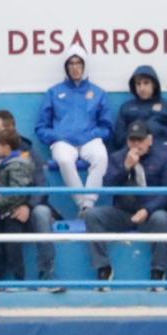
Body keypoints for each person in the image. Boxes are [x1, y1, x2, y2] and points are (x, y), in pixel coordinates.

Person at [84, 121, 167, 290]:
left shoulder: (163, 157)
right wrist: (125, 167)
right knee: (91, 215)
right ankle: (103, 268)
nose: (136, 144)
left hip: (150, 213)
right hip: (123, 212)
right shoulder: (118, 157)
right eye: (132, 140)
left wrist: (147, 210)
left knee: (162, 218)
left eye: (140, 140)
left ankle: (158, 272)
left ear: (150, 140)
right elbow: (108, 187)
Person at [34, 48, 112, 216]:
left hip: (89, 140)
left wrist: (91, 135)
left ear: (84, 66)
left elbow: (107, 127)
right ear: (66, 67)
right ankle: (81, 203)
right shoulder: (54, 92)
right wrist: (58, 136)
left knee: (101, 157)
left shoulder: (98, 93)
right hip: (63, 141)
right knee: (64, 159)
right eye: (71, 63)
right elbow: (41, 127)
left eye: (79, 63)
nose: (75, 67)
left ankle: (88, 205)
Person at [0, 110, 59, 290]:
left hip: (24, 209)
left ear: (11, 129)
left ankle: (46, 275)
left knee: (42, 213)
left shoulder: (28, 153)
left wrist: (27, 206)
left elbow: (41, 185)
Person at [0, 127, 39, 288]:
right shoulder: (4, 164)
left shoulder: (18, 164)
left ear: (6, 146)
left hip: (13, 214)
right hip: (1, 213)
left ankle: (19, 281)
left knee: (13, 248)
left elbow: (17, 192)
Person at [112, 65, 167, 154]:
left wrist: (158, 128)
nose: (142, 88)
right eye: (138, 84)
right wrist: (136, 130)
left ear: (154, 84)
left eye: (146, 83)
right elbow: (118, 140)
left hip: (160, 152)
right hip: (133, 152)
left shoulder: (166, 105)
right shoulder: (127, 107)